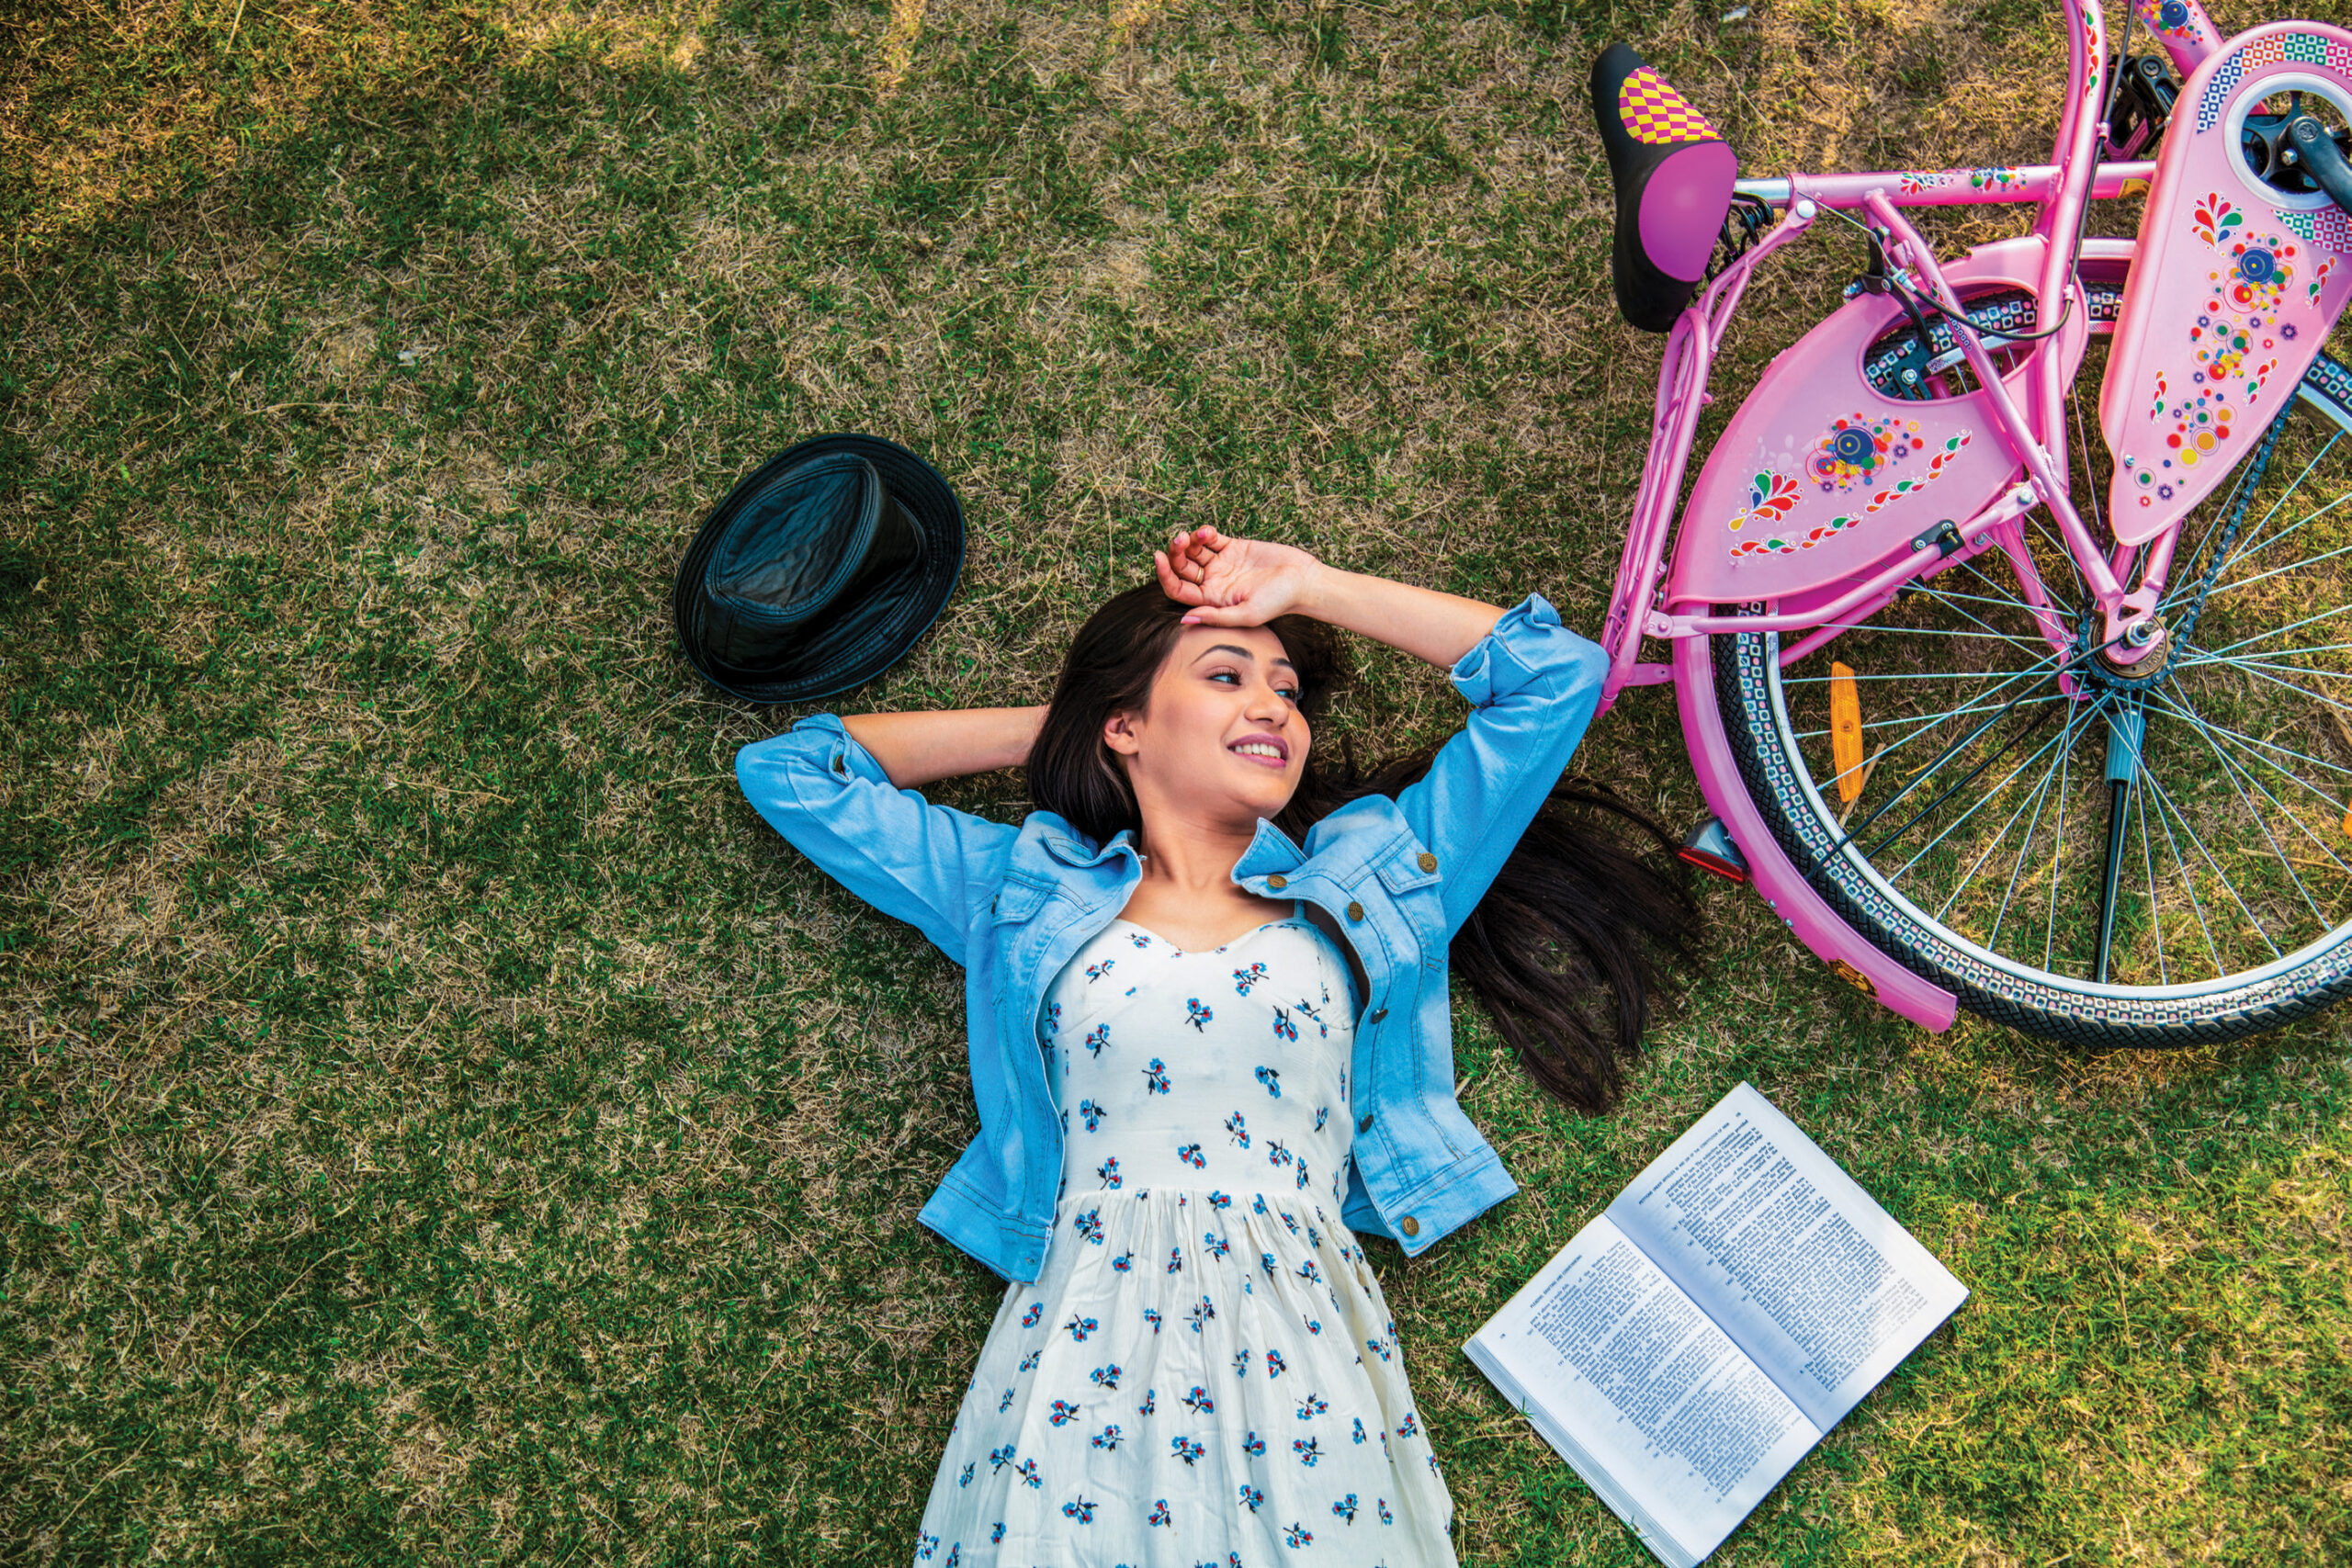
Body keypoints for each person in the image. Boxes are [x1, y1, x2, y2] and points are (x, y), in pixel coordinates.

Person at [736, 525, 1696, 1564]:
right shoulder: (1017, 889)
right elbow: (793, 772)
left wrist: (1314, 584)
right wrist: (1068, 729)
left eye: (1287, 689)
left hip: (1298, 1331)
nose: (1274, 706)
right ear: (1127, 724)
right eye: (1226, 675)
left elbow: (1557, 677)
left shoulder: (1380, 882)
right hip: (1079, 1331)